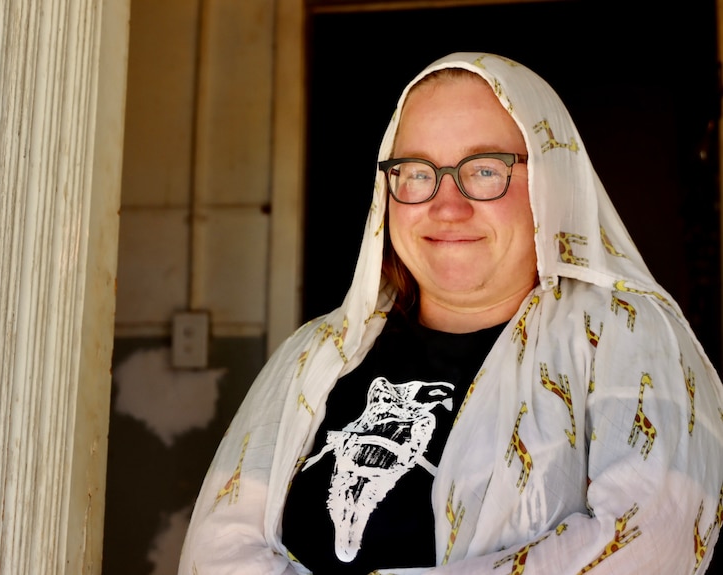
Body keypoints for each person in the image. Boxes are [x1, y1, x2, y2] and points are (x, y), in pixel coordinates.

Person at [178, 52, 723, 574]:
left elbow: (649, 544)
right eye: (417, 172)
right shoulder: (315, 354)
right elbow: (217, 551)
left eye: (485, 169)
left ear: (551, 180)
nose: (446, 205)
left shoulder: (626, 336)